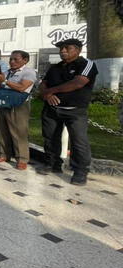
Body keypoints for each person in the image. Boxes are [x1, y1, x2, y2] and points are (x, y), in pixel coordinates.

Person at [38, 38, 98, 185]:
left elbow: (78, 83)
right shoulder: (55, 67)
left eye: (67, 48)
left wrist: (50, 91)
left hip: (75, 111)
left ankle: (80, 171)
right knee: (50, 137)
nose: (62, 51)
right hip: (52, 110)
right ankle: (53, 164)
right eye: (61, 48)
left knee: (78, 142)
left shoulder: (86, 64)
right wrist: (47, 94)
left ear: (78, 50)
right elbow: (43, 84)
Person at [0, 50, 37, 170]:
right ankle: (3, 154)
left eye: (15, 59)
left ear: (25, 60)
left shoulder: (29, 72)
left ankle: (22, 159)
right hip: (3, 103)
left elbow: (22, 87)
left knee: (18, 132)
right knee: (2, 130)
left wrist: (5, 81)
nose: (12, 61)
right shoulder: (6, 72)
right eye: (11, 59)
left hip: (18, 105)